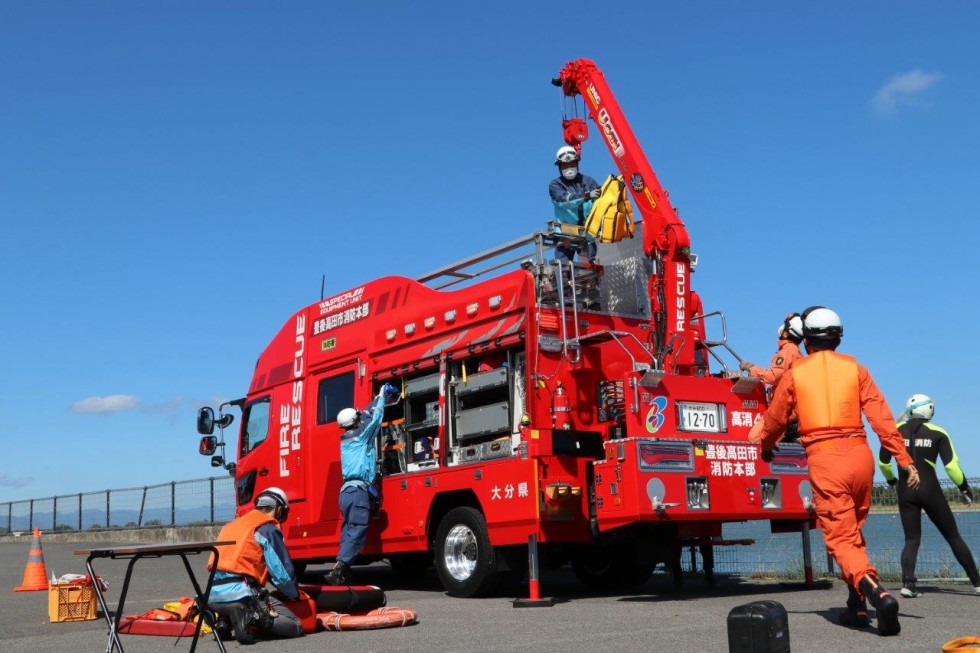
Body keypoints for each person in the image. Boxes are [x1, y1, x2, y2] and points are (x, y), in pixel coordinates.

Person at [748, 306, 920, 637]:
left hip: (826, 460)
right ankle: (856, 605)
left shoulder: (795, 374)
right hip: (860, 456)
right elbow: (882, 418)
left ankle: (878, 595)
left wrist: (765, 445)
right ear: (838, 336)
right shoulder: (856, 369)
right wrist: (904, 459)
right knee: (852, 532)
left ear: (807, 339)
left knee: (840, 537)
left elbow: (775, 419)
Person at [878, 393, 980, 597]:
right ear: (929, 410)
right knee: (953, 536)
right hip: (930, 490)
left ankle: (908, 584)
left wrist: (892, 482)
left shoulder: (895, 431)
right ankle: (977, 583)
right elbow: (951, 467)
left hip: (906, 491)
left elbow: (883, 462)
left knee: (911, 539)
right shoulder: (938, 432)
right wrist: (964, 488)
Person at [208, 486, 303, 644]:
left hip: (212, 596)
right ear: (280, 510)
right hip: (243, 593)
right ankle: (256, 617)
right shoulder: (266, 529)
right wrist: (294, 594)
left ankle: (224, 621)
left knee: (233, 591)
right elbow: (282, 573)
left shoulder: (231, 526)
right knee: (295, 625)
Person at [326, 383, 399, 585]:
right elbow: (373, 419)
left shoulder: (348, 438)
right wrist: (383, 397)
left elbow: (365, 416)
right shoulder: (359, 437)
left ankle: (340, 570)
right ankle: (341, 568)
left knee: (349, 529)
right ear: (355, 420)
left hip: (346, 493)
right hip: (358, 491)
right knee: (358, 529)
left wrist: (377, 397)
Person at [549, 145, 600, 263]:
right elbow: (563, 201)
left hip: (586, 232)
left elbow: (600, 203)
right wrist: (585, 196)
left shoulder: (589, 182)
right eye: (565, 165)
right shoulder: (555, 185)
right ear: (559, 167)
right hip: (566, 233)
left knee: (588, 263)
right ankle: (566, 279)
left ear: (577, 163)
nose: (569, 168)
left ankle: (587, 281)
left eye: (572, 164)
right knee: (563, 264)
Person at [739, 313, 805, 387]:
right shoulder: (794, 350)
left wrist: (752, 368)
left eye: (785, 326)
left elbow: (774, 377)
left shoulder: (787, 351)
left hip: (786, 398)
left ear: (785, 334)